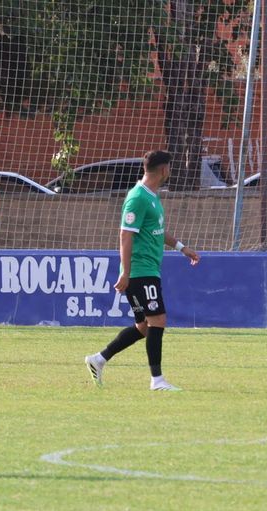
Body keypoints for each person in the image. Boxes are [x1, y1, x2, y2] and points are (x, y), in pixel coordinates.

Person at [84, 150, 199, 391]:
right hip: (140, 270)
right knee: (158, 320)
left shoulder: (152, 197)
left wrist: (182, 248)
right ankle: (157, 381)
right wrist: (125, 272)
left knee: (144, 326)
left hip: (146, 269)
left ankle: (99, 359)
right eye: (170, 167)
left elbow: (157, 230)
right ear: (164, 169)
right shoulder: (137, 197)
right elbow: (125, 235)